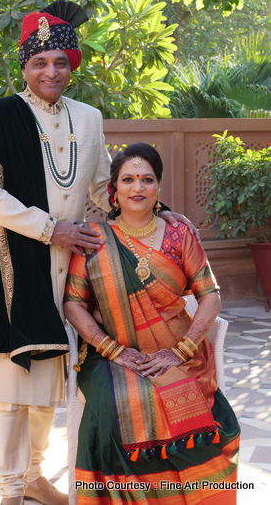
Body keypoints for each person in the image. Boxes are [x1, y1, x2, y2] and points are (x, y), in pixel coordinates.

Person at [0, 1, 197, 505]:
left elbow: (102, 187)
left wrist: (160, 212)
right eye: (40, 62)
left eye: (61, 61)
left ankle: (35, 477)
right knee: (10, 377)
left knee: (51, 375)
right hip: (13, 265)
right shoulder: (0, 116)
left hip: (71, 269)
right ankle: (8, 490)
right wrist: (50, 228)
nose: (51, 71)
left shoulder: (87, 118)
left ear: (72, 65)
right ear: (23, 66)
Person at [64, 142, 240, 505]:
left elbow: (211, 295)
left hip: (179, 349)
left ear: (158, 185)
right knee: (127, 398)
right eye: (128, 179)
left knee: (181, 397)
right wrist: (114, 350)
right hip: (112, 354)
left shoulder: (180, 234)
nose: (137, 188)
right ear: (113, 188)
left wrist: (181, 351)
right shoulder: (94, 238)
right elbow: (73, 304)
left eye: (147, 179)